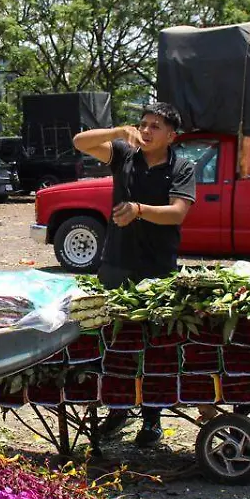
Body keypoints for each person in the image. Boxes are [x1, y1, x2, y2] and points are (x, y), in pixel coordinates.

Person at [73, 102, 196, 447]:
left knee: (152, 345)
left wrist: (139, 210)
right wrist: (116, 132)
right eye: (143, 124)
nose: (146, 130)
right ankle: (117, 408)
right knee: (112, 341)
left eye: (155, 126)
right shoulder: (125, 154)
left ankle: (152, 419)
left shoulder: (181, 168)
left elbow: (176, 214)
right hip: (116, 263)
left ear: (171, 136)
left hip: (156, 268)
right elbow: (80, 141)